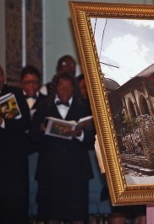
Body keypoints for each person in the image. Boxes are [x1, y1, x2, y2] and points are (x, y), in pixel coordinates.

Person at [29, 72, 95, 224]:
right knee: (51, 216)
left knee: (77, 217)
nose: (65, 92)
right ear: (55, 89)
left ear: (74, 89)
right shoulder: (43, 105)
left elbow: (94, 137)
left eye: (68, 88)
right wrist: (40, 129)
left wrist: (79, 134)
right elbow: (32, 136)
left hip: (77, 172)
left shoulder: (84, 105)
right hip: (50, 171)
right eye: (61, 88)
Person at [0, 62, 31, 224]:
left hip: (13, 161)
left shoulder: (15, 93)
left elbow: (25, 123)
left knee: (15, 208)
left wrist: (2, 122)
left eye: (0, 73)